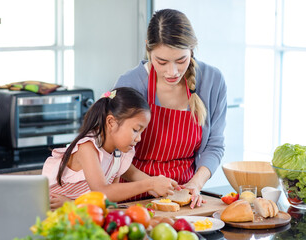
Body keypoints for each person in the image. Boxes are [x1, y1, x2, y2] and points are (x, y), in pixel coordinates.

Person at [114, 9, 227, 208]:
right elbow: (115, 151)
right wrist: (149, 184)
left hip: (184, 198)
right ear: (148, 51)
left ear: (192, 49)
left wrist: (196, 183)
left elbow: (214, 145)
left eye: (181, 60)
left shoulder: (212, 81)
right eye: (162, 62)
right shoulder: (130, 83)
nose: (172, 72)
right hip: (135, 196)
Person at [42, 87, 178, 210]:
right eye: (136, 130)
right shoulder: (87, 148)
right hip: (53, 211)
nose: (139, 138)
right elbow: (103, 192)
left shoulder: (118, 153)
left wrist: (165, 186)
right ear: (111, 122)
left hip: (82, 211)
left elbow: (133, 176)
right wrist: (151, 184)